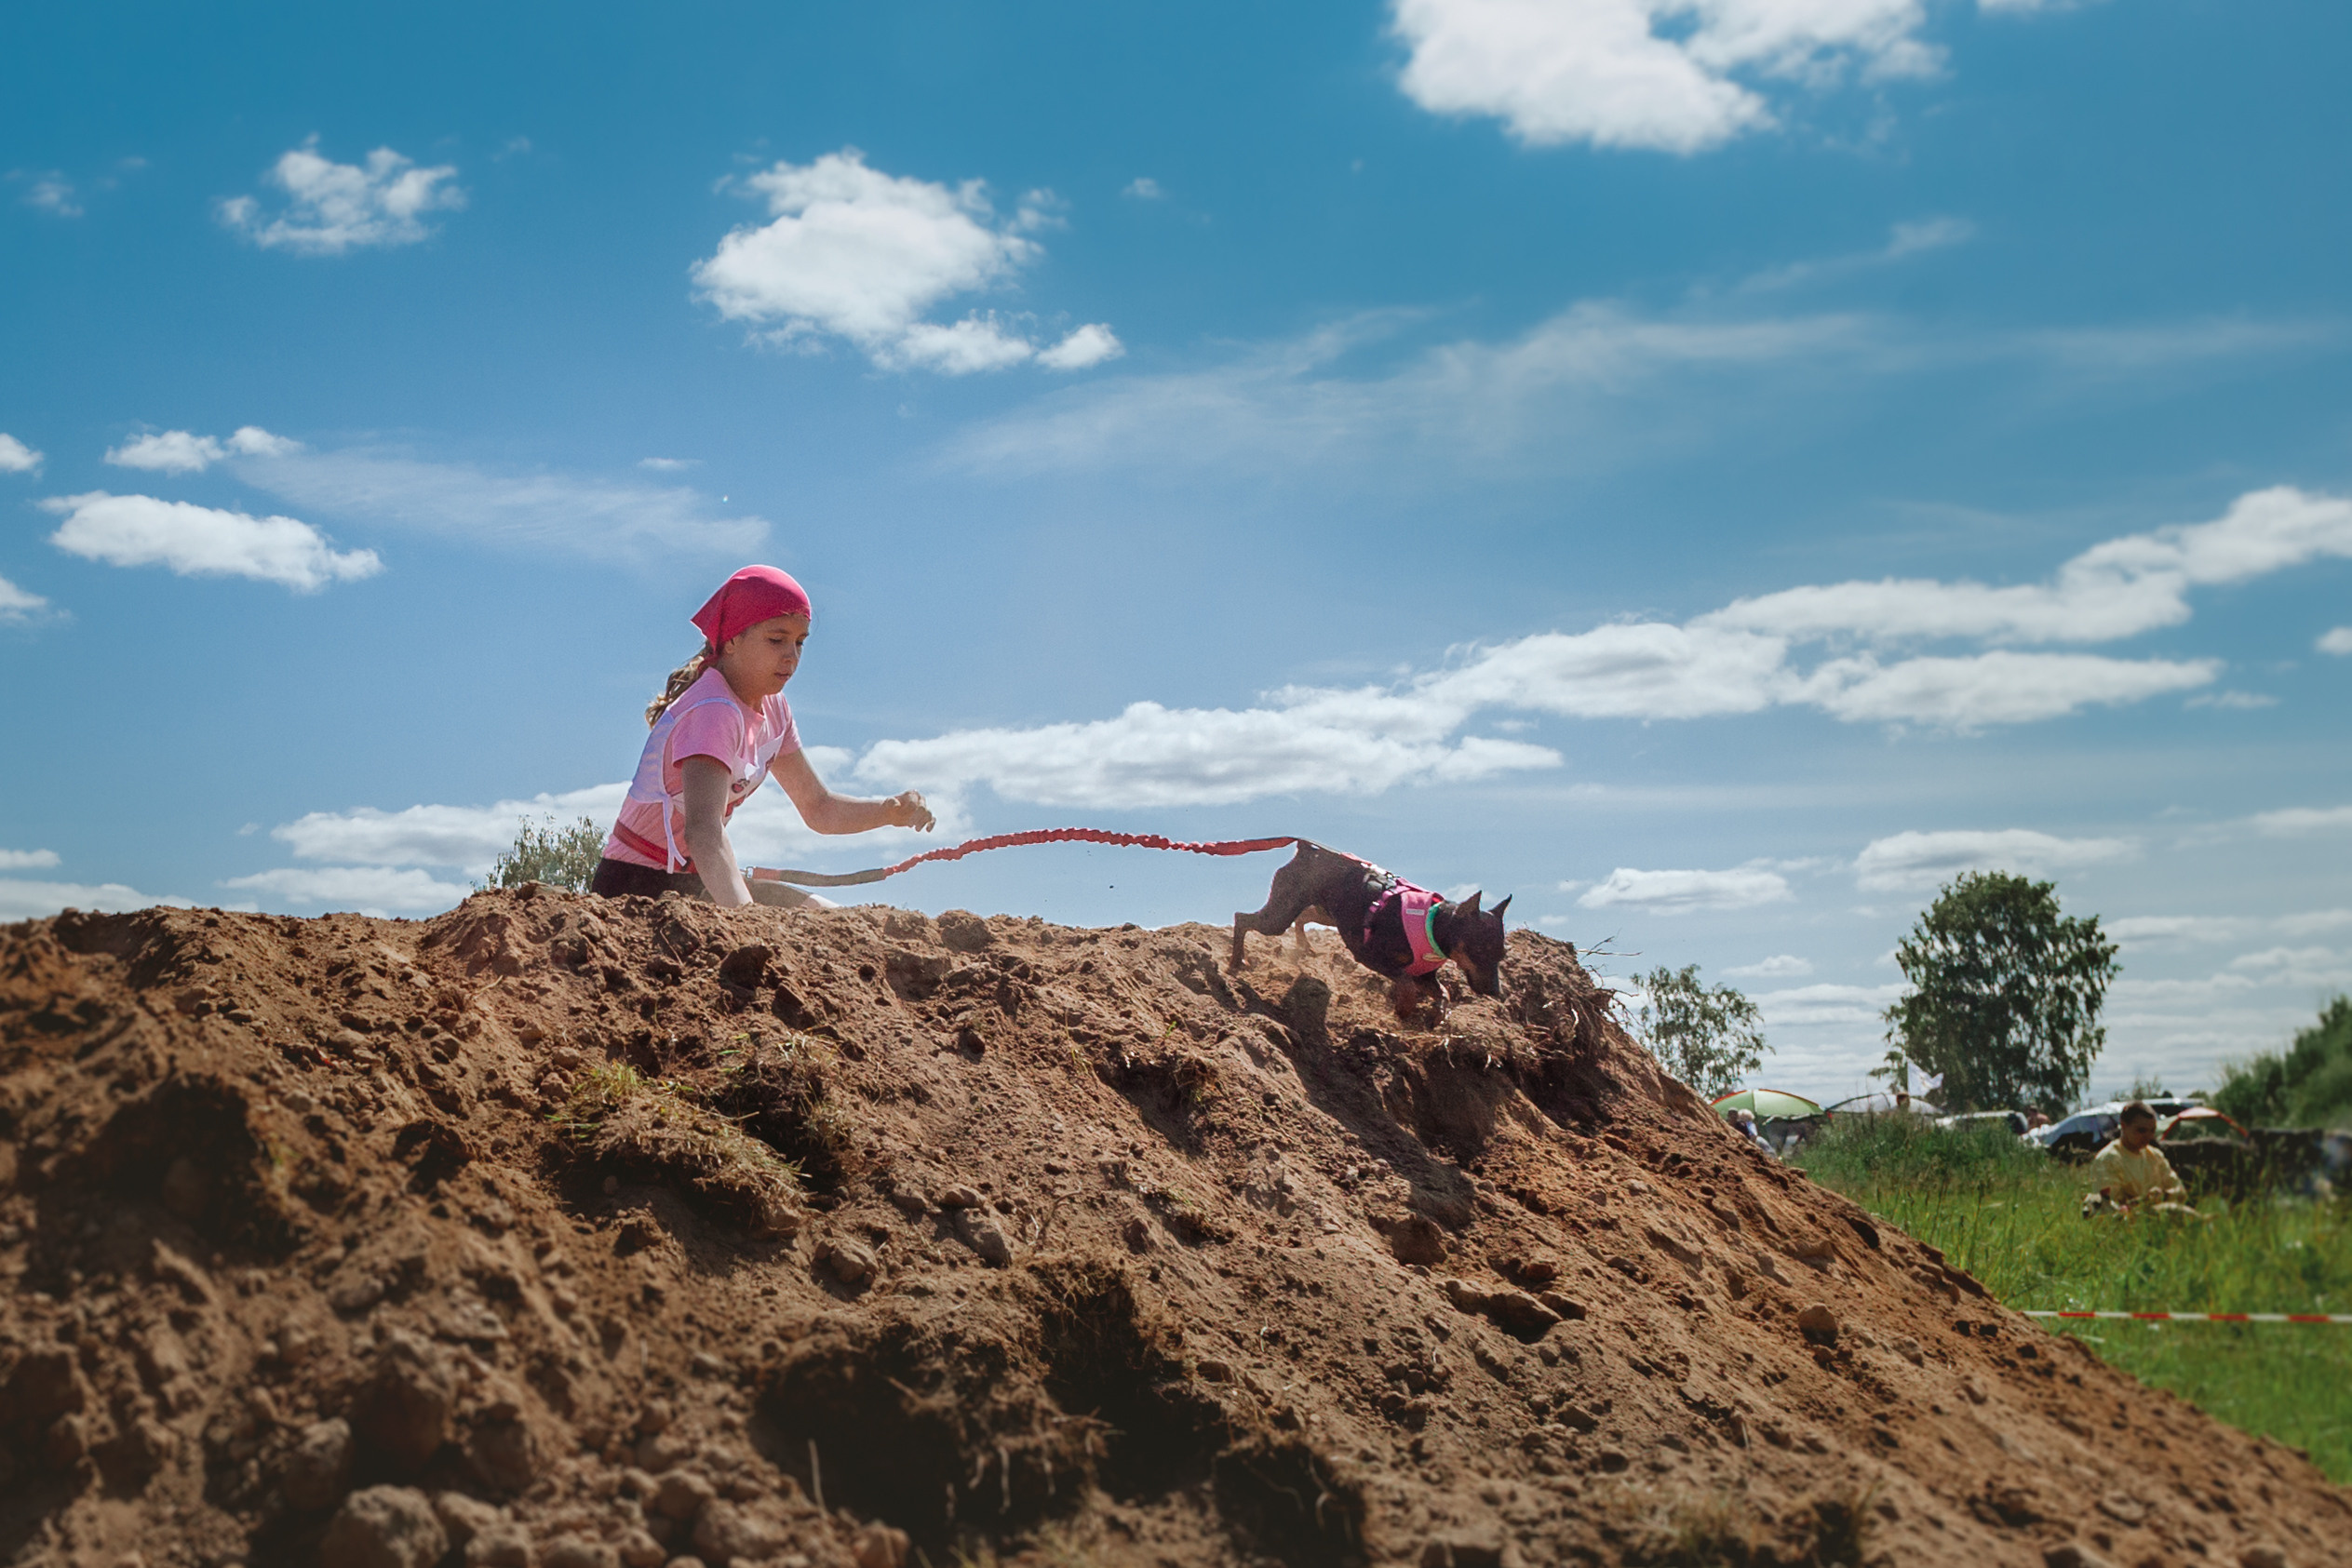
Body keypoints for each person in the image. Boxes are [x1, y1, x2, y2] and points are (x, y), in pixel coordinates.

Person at [590, 565, 934, 907]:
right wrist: (748, 922)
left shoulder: (776, 709)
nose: (791, 656)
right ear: (734, 639)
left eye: (800, 642)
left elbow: (818, 808)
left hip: (694, 885)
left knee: (834, 919)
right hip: (633, 890)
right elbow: (704, 832)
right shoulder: (713, 709)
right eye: (776, 639)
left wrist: (889, 812)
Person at [2085, 1100, 2195, 1218]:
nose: (2149, 1136)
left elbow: (2180, 1191)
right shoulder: (2108, 1159)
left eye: (2152, 1130)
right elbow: (2109, 1209)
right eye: (2141, 1130)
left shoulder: (2155, 1156)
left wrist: (2165, 1195)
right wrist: (2144, 1201)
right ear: (2124, 1125)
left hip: (2161, 1222)